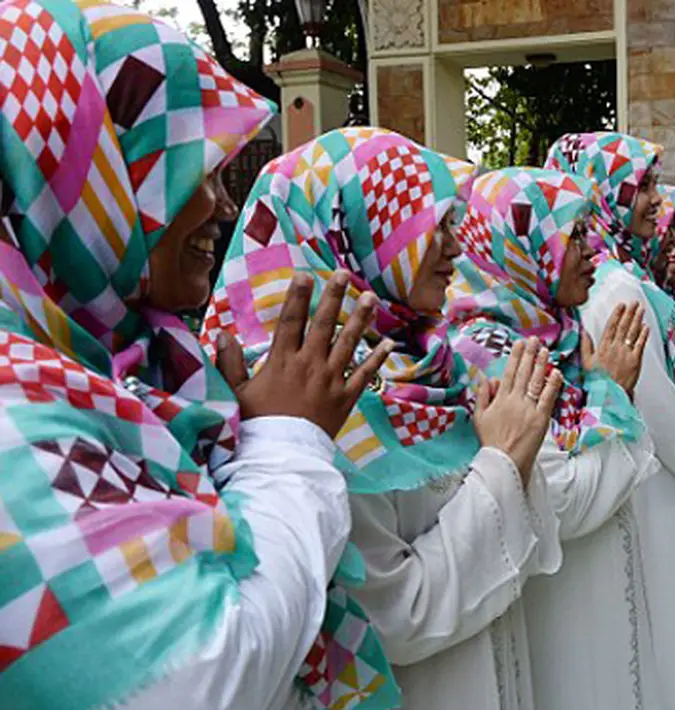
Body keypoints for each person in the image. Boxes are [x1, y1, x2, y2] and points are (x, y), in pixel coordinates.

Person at [0, 4, 393, 709]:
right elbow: (198, 673)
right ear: (93, 181)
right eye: (196, 173)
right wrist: (286, 443)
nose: (220, 206)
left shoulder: (140, 367)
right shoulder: (11, 408)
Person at [204, 128, 567, 710]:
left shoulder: (429, 364)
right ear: (357, 227)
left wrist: (512, 450)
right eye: (434, 227)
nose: (455, 247)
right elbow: (395, 617)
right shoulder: (303, 398)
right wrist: (502, 463)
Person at [444, 167, 664, 710]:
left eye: (591, 232)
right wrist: (610, 394)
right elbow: (560, 499)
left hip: (599, 593)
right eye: (574, 236)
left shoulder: (559, 331)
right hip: (561, 606)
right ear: (523, 245)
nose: (593, 251)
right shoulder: (492, 351)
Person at [546, 131, 675, 710]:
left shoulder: (592, 274)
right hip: (646, 478)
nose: (653, 197)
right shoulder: (616, 284)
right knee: (661, 634)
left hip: (617, 471)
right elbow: (653, 400)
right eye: (640, 184)